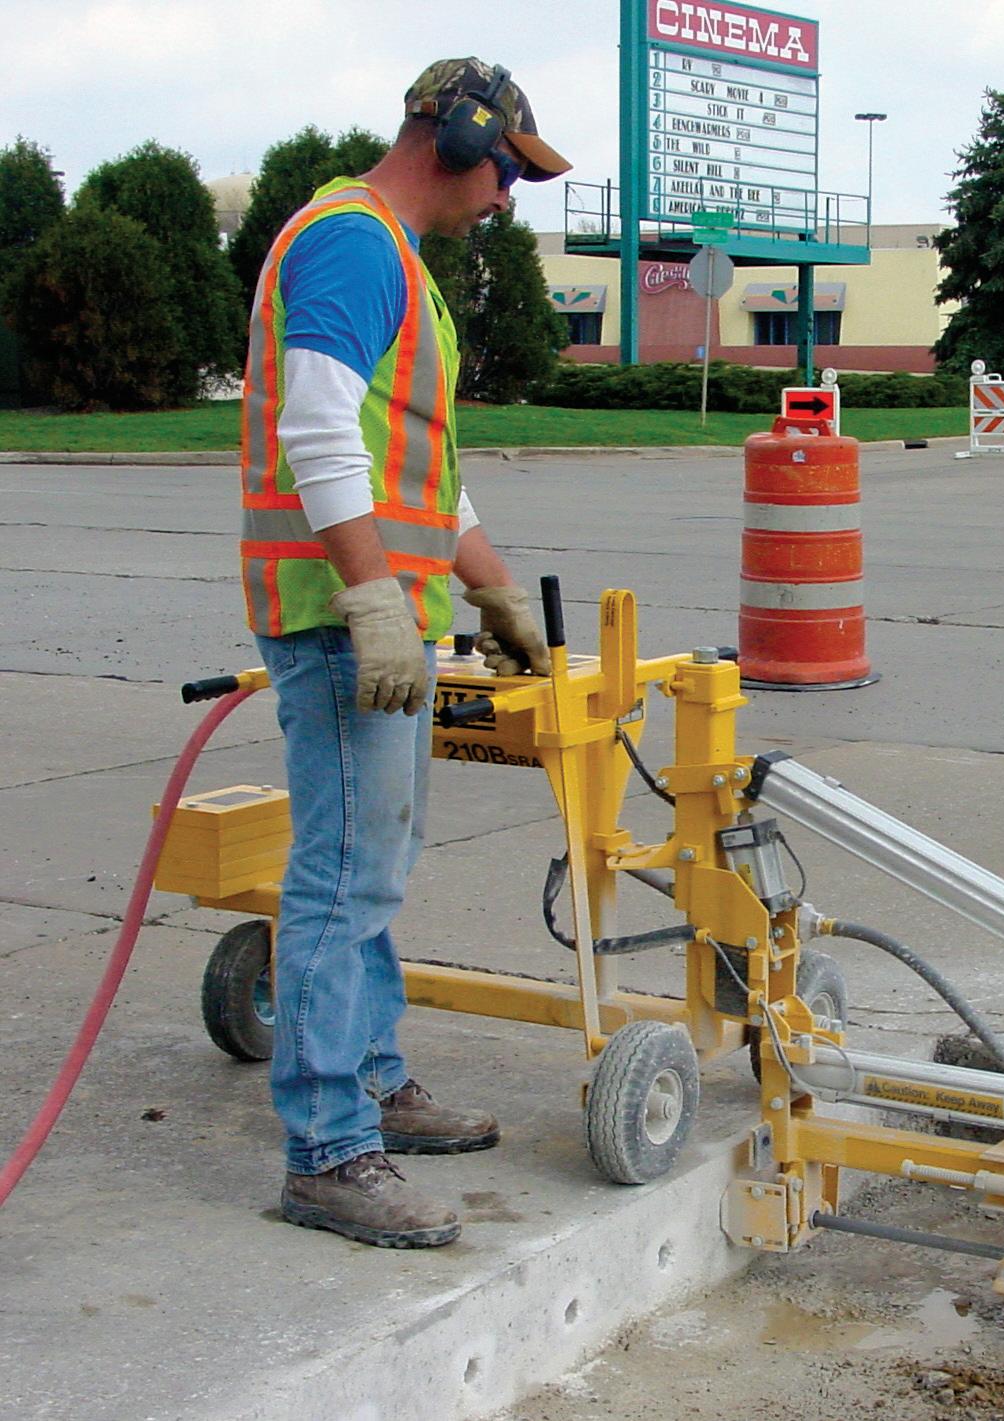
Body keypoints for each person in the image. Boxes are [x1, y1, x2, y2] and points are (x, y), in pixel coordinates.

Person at [238, 59, 571, 1248]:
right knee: (344, 877)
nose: (507, 198)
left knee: (374, 867)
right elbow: (318, 429)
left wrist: (492, 590)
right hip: (345, 621)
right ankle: (329, 1150)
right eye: (508, 171)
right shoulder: (352, 243)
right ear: (461, 137)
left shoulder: (396, 259)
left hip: (384, 617)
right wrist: (375, 598)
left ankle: (373, 1078)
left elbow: (421, 466)